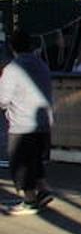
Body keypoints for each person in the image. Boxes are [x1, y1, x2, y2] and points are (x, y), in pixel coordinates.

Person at [0, 31, 54, 215]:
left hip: (22, 123)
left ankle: (29, 199)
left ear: (11, 47)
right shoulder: (41, 64)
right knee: (35, 160)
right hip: (44, 122)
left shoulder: (13, 69)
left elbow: (3, 99)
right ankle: (43, 189)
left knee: (20, 163)